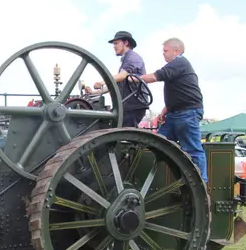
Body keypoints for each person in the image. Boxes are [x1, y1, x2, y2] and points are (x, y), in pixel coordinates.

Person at [134, 37, 208, 183]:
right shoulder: (177, 67)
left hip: (188, 113)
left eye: (165, 51)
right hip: (176, 114)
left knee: (193, 149)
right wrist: (164, 112)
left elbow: (156, 76)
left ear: (176, 50)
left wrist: (132, 78)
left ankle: (201, 184)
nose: (163, 54)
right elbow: (179, 94)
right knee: (159, 144)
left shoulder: (180, 62)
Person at [89, 31, 148, 127]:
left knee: (126, 134)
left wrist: (102, 82)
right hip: (126, 106)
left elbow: (122, 76)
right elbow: (114, 84)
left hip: (134, 106)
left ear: (126, 43)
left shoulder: (133, 57)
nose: (114, 46)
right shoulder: (125, 60)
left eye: (116, 43)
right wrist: (94, 93)